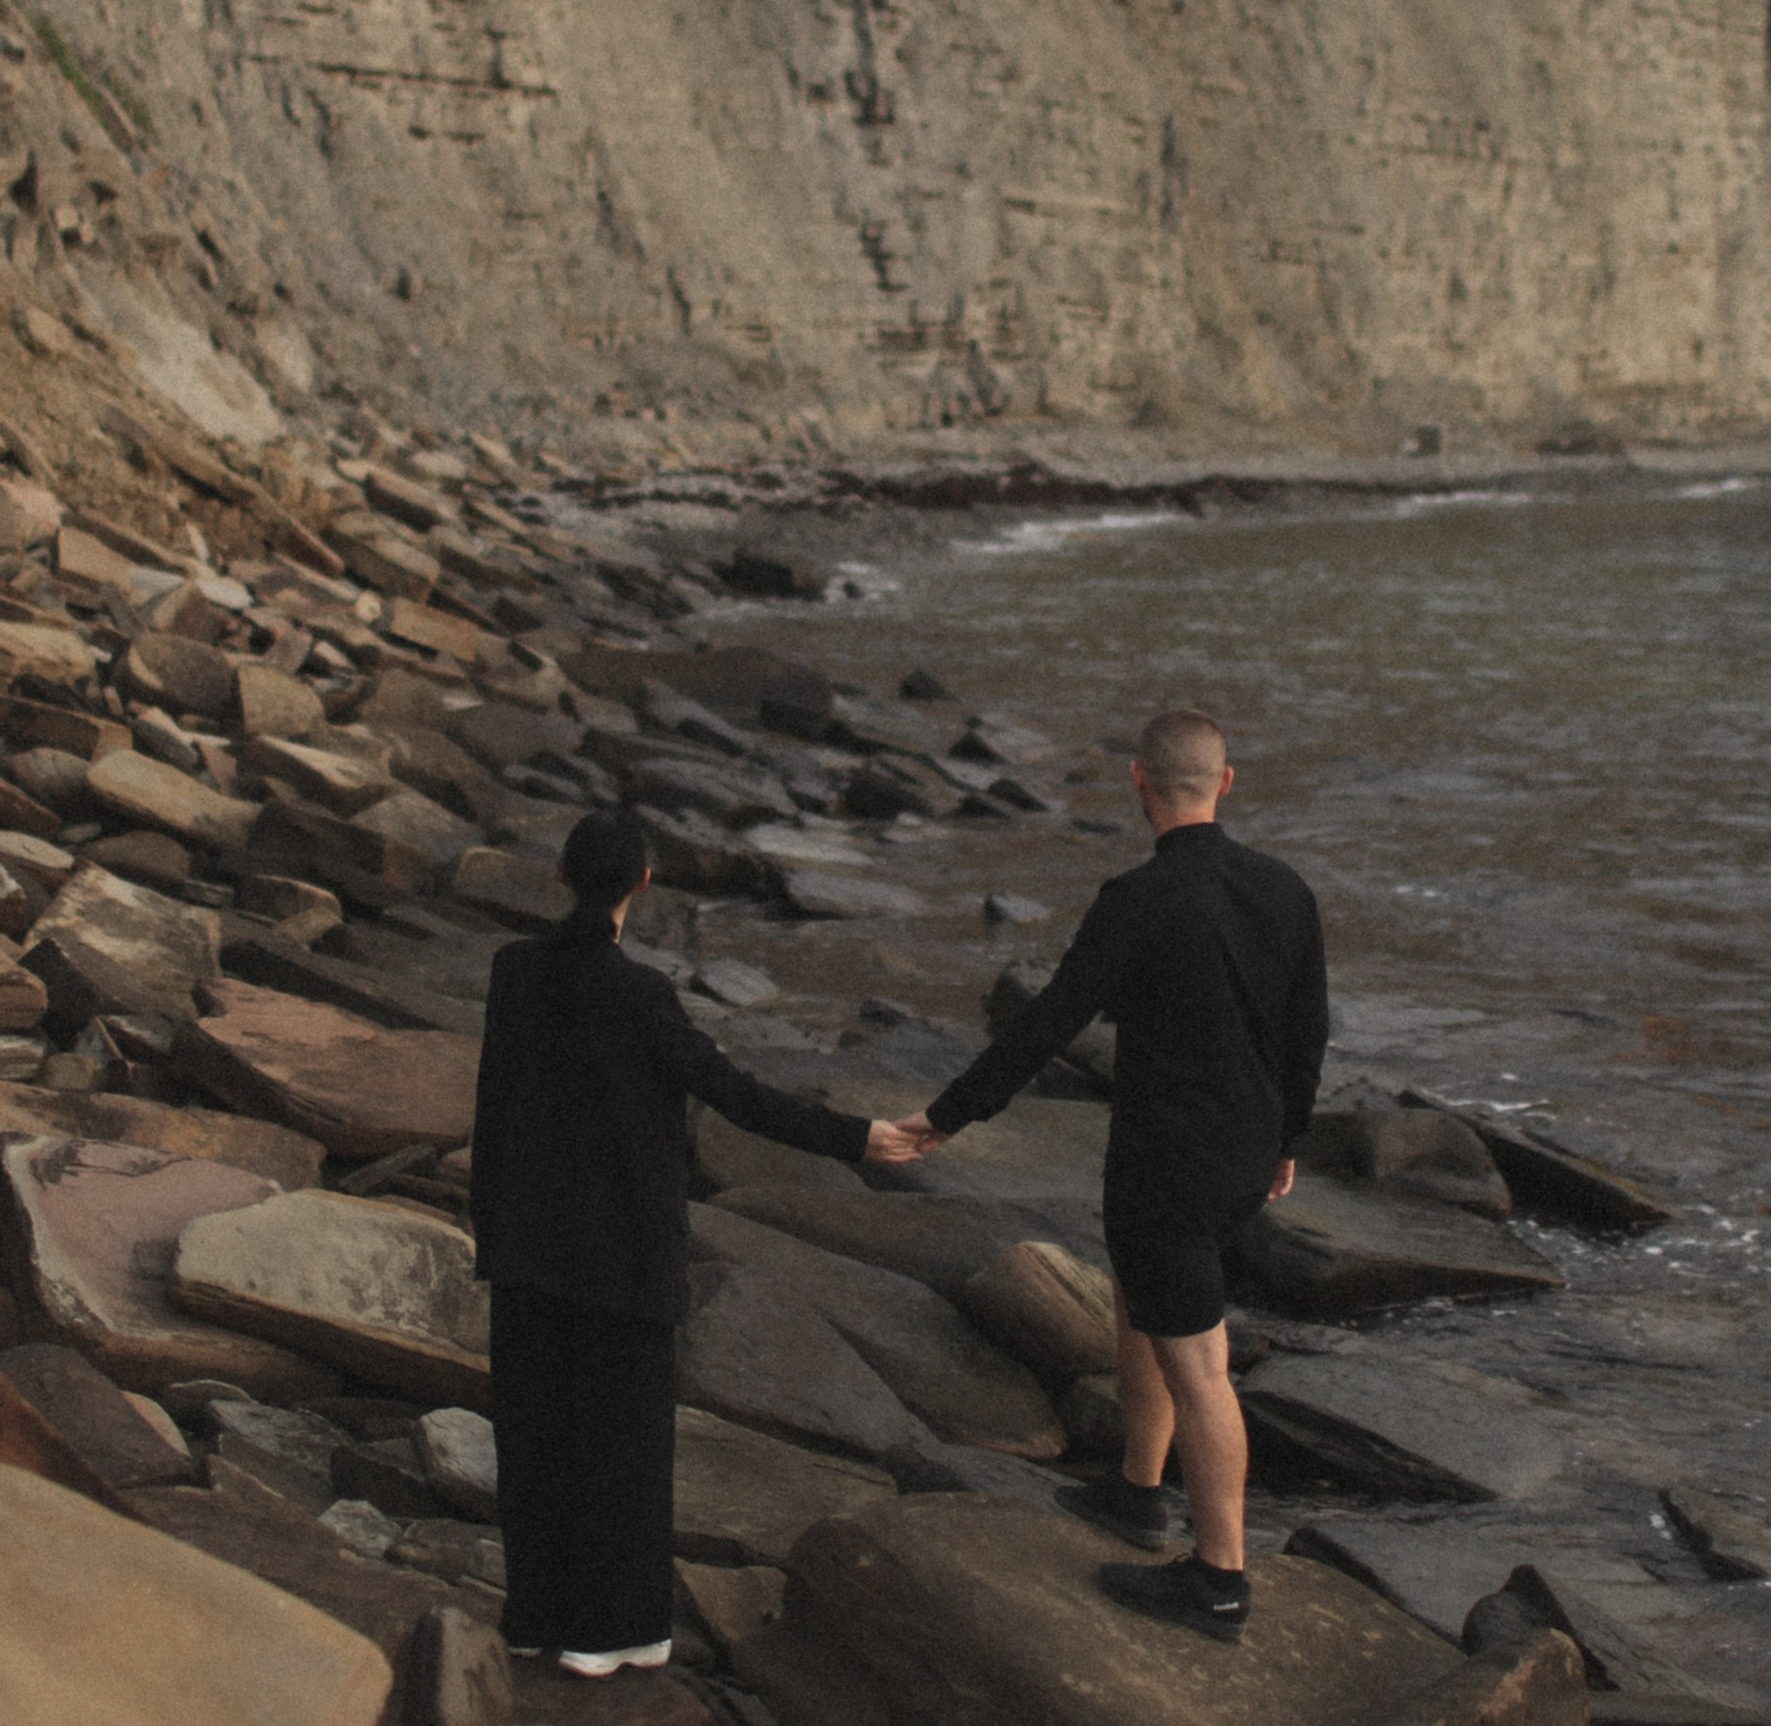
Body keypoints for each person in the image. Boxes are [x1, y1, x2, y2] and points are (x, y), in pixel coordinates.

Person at [893, 706, 1325, 1638]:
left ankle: (1218, 1579)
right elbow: (1306, 1030)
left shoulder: (1135, 902)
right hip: (1240, 1155)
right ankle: (1138, 1490)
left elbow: (1047, 1025)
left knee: (1200, 1363)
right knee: (1143, 1296)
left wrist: (944, 1118)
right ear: (1226, 781)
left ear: (1138, 784)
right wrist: (1288, 1139)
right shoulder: (1286, 891)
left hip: (1168, 1165)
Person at [470, 806, 930, 1676]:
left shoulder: (512, 973)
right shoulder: (640, 995)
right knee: (623, 1450)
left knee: (533, 1443)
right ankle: (613, 1633)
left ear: (562, 878)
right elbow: (734, 1093)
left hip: (527, 1250)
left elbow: (493, 1109)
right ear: (642, 885)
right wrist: (860, 1137)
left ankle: (534, 1615)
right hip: (622, 1257)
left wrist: (487, 1227)